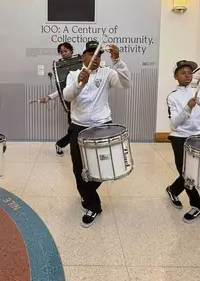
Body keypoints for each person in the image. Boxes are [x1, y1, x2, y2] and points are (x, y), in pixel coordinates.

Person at [63, 40, 131, 227]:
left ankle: (90, 200)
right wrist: (79, 84)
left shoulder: (107, 72)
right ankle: (91, 200)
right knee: (79, 169)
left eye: (99, 54)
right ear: (83, 56)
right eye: (91, 54)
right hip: (78, 127)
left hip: (101, 127)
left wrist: (118, 61)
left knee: (102, 167)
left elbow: (126, 84)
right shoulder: (73, 74)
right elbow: (67, 96)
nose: (95, 58)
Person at [165, 60, 200, 223]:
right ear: (176, 76)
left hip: (198, 138)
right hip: (179, 138)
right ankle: (197, 206)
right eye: (182, 72)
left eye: (189, 72)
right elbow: (174, 123)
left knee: (192, 173)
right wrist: (187, 108)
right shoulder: (172, 97)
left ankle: (172, 190)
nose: (187, 75)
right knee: (188, 174)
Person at [40, 42, 75, 156]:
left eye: (66, 51)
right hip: (70, 102)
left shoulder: (81, 63)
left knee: (78, 128)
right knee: (74, 128)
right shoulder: (61, 68)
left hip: (83, 101)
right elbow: (61, 90)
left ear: (71, 50)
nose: (63, 54)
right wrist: (49, 97)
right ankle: (60, 144)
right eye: (61, 52)